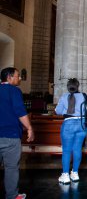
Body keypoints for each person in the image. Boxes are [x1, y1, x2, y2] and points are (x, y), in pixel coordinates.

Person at [0, 67, 34, 199]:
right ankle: (12, 196)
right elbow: (20, 111)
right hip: (10, 135)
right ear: (9, 77)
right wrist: (29, 128)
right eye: (17, 76)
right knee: (11, 168)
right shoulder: (13, 91)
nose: (19, 78)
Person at [55, 78, 87, 184]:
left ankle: (65, 175)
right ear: (78, 86)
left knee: (67, 150)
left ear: (68, 87)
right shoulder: (84, 96)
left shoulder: (64, 97)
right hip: (82, 124)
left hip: (69, 123)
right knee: (77, 149)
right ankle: (75, 173)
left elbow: (58, 111)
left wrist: (63, 109)